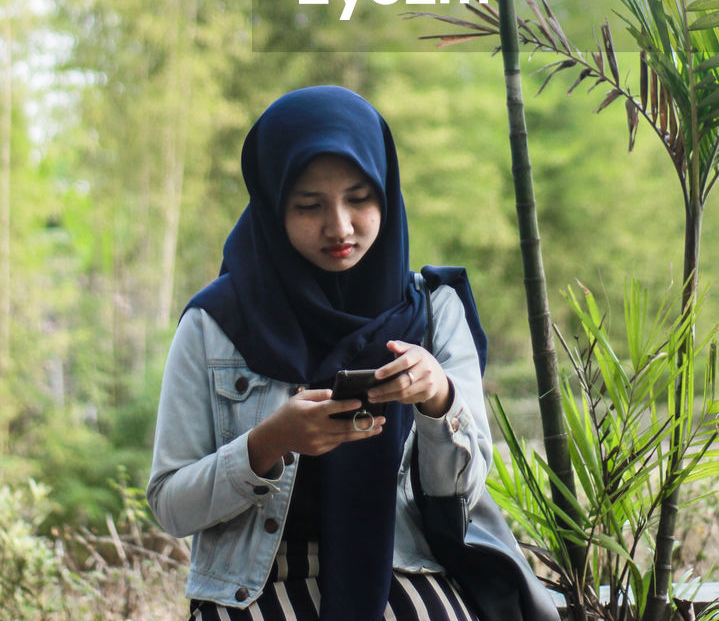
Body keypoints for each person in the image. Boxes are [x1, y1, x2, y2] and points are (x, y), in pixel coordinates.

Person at [147, 85, 558, 621]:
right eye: (309, 205)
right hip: (258, 586)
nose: (339, 227)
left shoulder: (435, 312)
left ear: (386, 192)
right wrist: (268, 443)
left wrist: (438, 400)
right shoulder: (214, 324)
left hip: (407, 569)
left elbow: (462, 493)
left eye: (359, 198)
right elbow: (170, 504)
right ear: (273, 207)